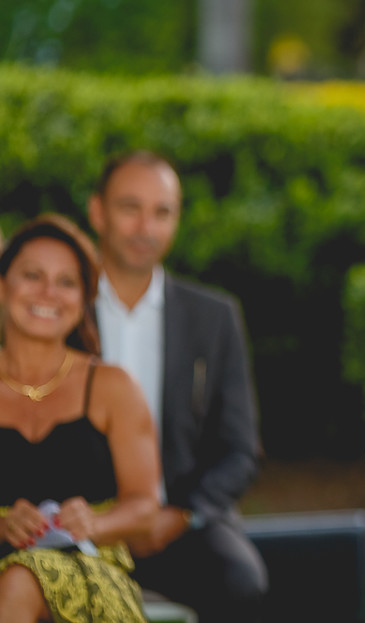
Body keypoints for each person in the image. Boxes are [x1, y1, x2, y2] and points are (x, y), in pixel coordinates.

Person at [87, 151, 267, 623]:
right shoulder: (62, 309)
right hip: (79, 522)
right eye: (130, 207)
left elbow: (240, 451)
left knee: (241, 582)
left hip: (177, 522)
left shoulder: (214, 317)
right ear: (97, 212)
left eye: (162, 211)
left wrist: (182, 516)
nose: (146, 226)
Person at [0, 213, 160, 623]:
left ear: (84, 299)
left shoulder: (113, 387)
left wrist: (96, 521)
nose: (49, 292)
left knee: (20, 580)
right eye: (32, 275)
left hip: (92, 570)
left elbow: (145, 508)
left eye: (66, 281)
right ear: (3, 286)